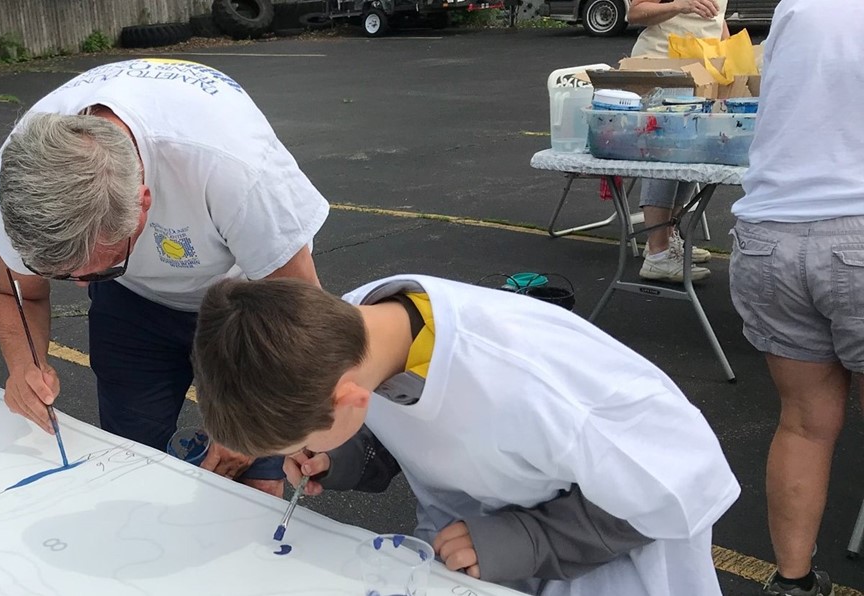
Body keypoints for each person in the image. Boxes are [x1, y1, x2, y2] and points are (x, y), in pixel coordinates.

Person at [192, 275, 740, 595]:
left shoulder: (531, 385)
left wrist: (529, 539)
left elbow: (681, 487)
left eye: (297, 444)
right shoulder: (357, 330)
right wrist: (342, 457)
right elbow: (410, 425)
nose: (301, 455)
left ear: (347, 400)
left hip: (613, 565)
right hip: (480, 552)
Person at [0, 59, 331, 497]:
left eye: (99, 268)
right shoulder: (20, 182)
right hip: (133, 305)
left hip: (250, 300)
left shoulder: (233, 167)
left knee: (256, 484)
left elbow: (304, 319)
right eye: (60, 273)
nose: (77, 286)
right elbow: (18, 294)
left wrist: (255, 430)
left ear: (144, 203)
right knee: (132, 463)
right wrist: (24, 366)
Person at [728, 0, 864, 593]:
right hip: (858, 227)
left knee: (805, 424)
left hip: (767, 236)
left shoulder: (796, 6)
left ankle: (793, 581)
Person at [625, 0, 730, 282]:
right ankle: (657, 253)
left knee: (688, 155)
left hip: (699, 70)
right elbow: (635, 13)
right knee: (666, 154)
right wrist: (680, 5)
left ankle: (667, 238)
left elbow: (715, 20)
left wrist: (728, 55)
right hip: (660, 69)